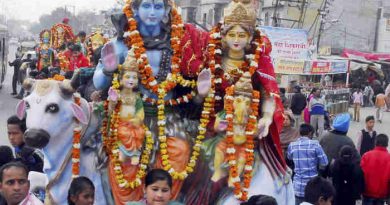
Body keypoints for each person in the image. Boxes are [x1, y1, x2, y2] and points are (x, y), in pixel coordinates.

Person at [287, 124, 328, 205]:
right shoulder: (315, 144)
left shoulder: (292, 145)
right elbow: (325, 162)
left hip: (297, 186)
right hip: (313, 185)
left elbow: (289, 158)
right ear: (310, 133)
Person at [360, 134, 390, 205]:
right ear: (387, 144)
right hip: (382, 193)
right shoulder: (388, 158)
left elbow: (361, 174)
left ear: (375, 142)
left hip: (367, 192)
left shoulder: (366, 155)